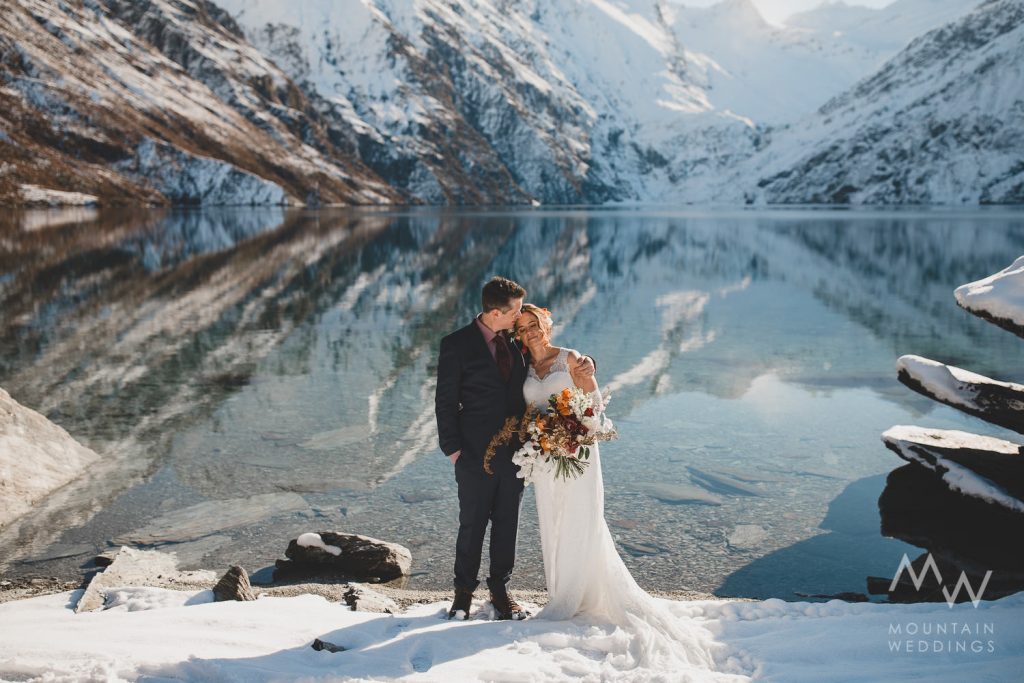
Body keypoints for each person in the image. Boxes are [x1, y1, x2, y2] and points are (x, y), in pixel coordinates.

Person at [514, 304, 716, 669]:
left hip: (577, 453)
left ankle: (575, 597)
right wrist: (539, 434)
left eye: (535, 325)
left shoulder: (571, 358)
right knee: (552, 522)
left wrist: (574, 431)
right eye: (523, 327)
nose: (529, 332)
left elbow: (592, 402)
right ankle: (561, 591)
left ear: (547, 325)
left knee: (582, 519)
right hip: (543, 458)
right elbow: (527, 410)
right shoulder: (523, 367)